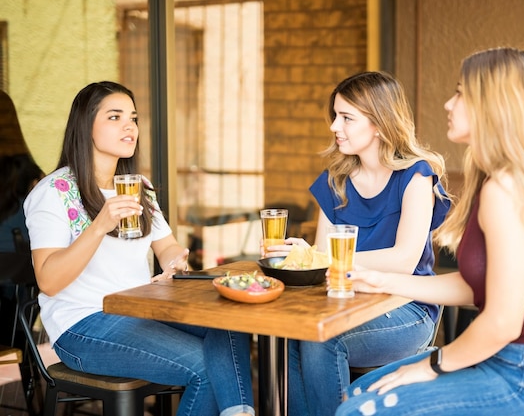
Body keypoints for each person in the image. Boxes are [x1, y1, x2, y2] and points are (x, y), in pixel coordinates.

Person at [335, 47, 524, 416]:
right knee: (358, 392)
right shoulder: (501, 180)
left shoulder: (505, 190)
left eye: (460, 93)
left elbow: (502, 322)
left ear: (493, 106)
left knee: (357, 411)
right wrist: (382, 281)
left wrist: (429, 365)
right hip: (511, 361)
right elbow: (478, 286)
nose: (448, 104)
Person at [24, 81, 255, 416]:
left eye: (132, 118)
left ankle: (238, 411)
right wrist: (100, 225)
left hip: (140, 312)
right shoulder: (55, 191)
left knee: (229, 326)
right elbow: (48, 280)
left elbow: (168, 248)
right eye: (115, 117)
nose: (129, 126)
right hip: (84, 326)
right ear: (85, 126)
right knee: (205, 368)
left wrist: (175, 264)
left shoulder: (138, 189)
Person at [265, 71, 450, 416]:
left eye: (347, 118)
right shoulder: (335, 181)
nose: (335, 126)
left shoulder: (416, 176)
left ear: (379, 123)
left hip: (406, 308)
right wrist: (302, 258)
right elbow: (322, 265)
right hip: (344, 303)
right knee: (287, 337)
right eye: (335, 116)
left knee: (323, 341)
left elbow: (403, 260)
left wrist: (321, 257)